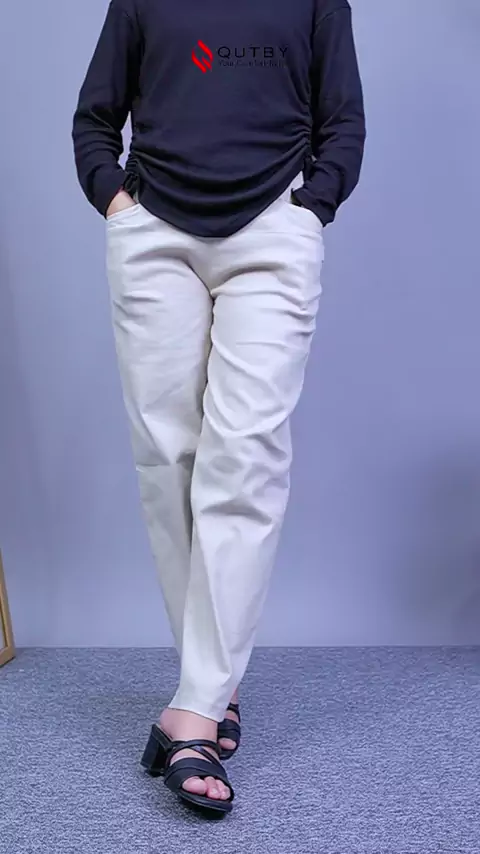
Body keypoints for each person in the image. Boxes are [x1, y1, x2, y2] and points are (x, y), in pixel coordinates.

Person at [72, 0, 365, 817]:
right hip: (153, 230)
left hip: (272, 229)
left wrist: (314, 206)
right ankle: (213, 684)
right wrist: (115, 201)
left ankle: (193, 713)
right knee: (168, 460)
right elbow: (95, 117)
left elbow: (343, 119)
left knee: (245, 455)